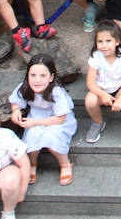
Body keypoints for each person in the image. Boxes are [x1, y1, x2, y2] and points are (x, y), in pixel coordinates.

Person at [7, 55, 77, 186]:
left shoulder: (56, 92)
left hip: (57, 120)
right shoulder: (24, 88)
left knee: (51, 136)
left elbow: (61, 118)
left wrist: (35, 123)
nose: (37, 80)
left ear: (51, 77)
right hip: (36, 117)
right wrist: (16, 110)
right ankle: (32, 163)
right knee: (32, 135)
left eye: (42, 76)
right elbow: (16, 102)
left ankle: (65, 163)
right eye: (33, 75)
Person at [82, 20, 121, 141]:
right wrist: (103, 95)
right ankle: (98, 122)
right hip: (102, 90)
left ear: (117, 41)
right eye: (100, 41)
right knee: (90, 100)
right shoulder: (96, 56)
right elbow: (90, 83)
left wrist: (120, 99)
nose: (104, 45)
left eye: (108, 41)